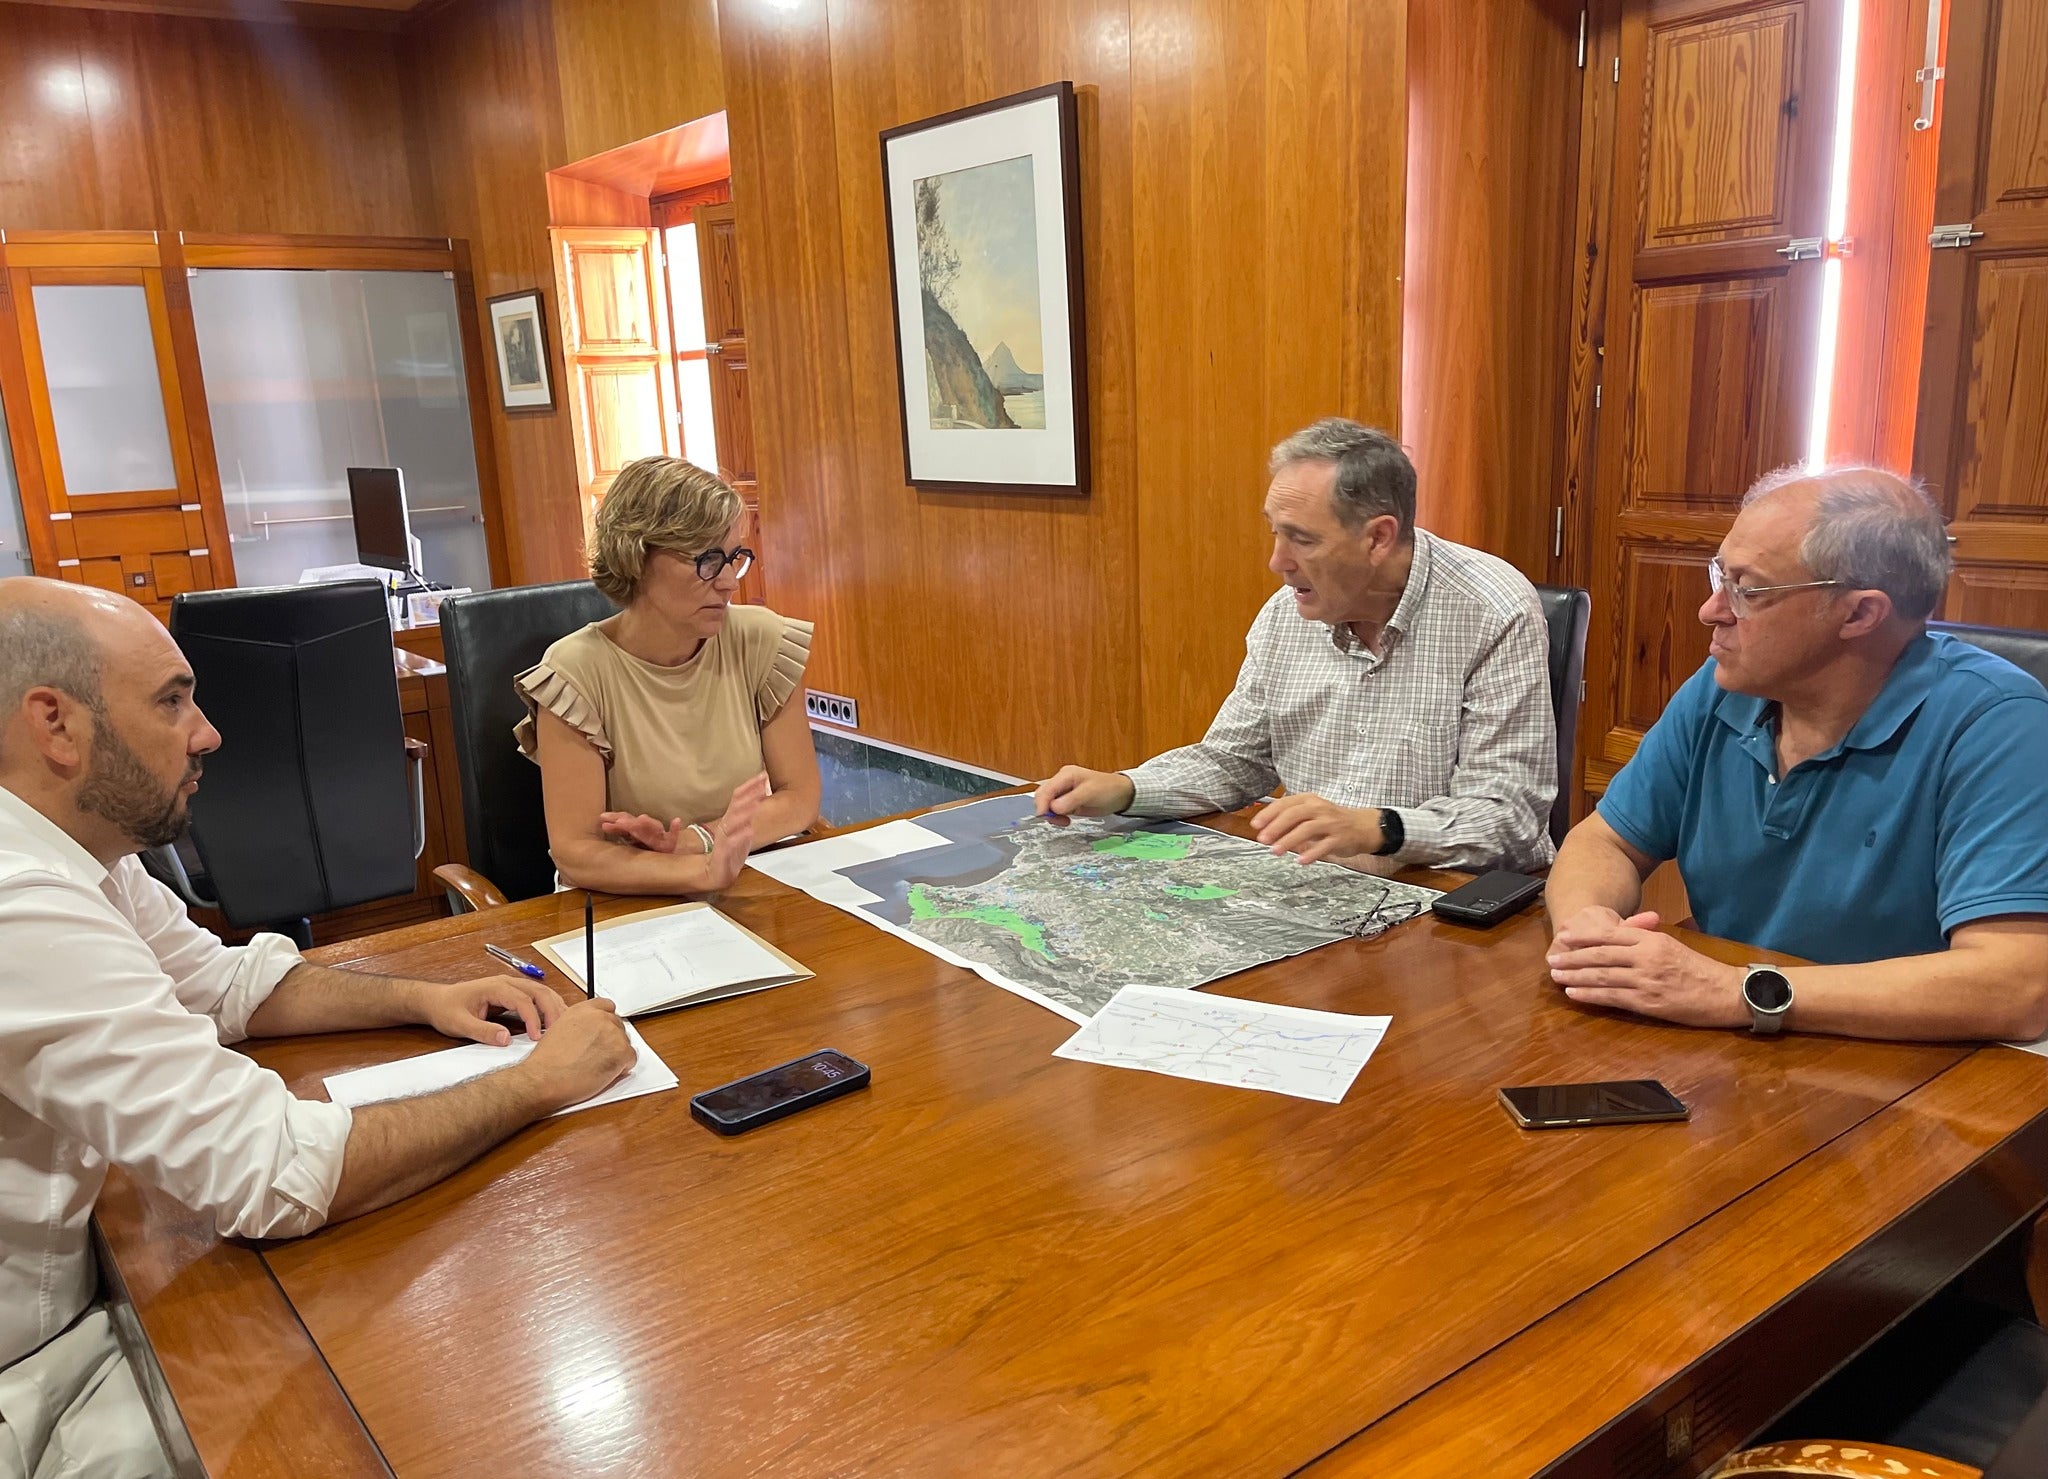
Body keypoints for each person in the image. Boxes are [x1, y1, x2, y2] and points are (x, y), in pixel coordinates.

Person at [0, 578, 636, 1479]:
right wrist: (538, 1082)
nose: (210, 731)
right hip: (31, 1369)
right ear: (55, 724)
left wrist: (419, 997)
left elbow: (218, 984)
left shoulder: (75, 846)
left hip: (78, 1292)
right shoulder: (19, 905)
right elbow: (269, 1173)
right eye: (174, 700)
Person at [1545, 466, 2048, 1042]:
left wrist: (1734, 991)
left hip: (1915, 1070)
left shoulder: (1999, 722)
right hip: (1736, 1053)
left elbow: (2018, 985)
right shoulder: (1721, 687)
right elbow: (1606, 841)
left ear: (1860, 614)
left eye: (1747, 590)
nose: (1712, 610)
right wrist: (1589, 930)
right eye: (1720, 575)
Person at [1033, 417, 1556, 873]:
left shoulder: (1491, 609)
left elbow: (1507, 817)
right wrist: (1127, 788)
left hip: (1452, 899)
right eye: (1275, 533)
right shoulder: (1288, 614)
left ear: (1378, 537)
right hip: (1323, 882)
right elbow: (1232, 762)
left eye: (1301, 539)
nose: (1277, 562)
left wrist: (1378, 828)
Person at [518, 456, 820, 895]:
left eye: (734, 557)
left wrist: (697, 842)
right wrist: (701, 871)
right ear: (636, 557)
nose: (729, 582)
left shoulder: (762, 640)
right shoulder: (574, 673)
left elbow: (800, 798)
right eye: (707, 560)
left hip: (749, 881)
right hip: (622, 903)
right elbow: (575, 852)